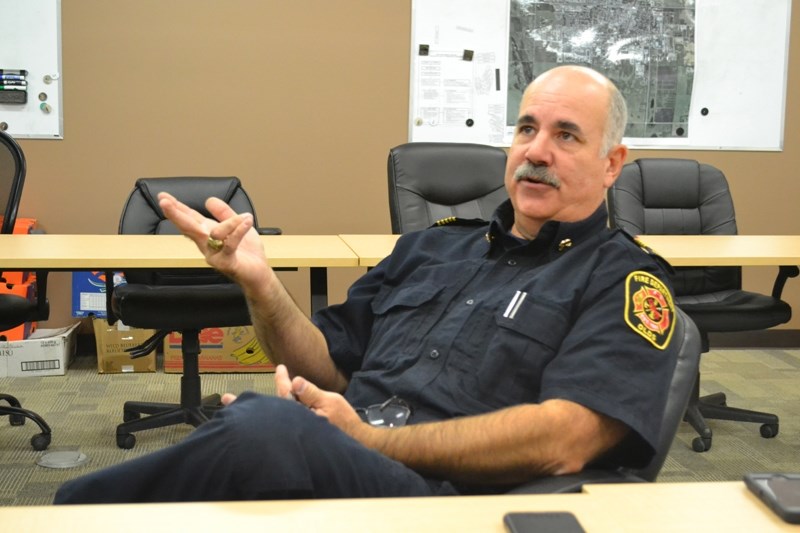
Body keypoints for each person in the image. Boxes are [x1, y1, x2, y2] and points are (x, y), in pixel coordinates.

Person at [55, 65, 679, 503]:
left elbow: (567, 437)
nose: (536, 151)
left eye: (566, 135)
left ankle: (70, 516)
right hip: (347, 456)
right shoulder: (434, 246)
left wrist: (368, 438)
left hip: (450, 500)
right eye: (526, 128)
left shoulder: (624, 279)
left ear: (612, 163)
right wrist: (261, 282)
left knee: (262, 431)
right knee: (258, 425)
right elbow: (323, 366)